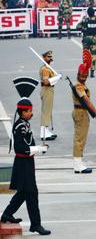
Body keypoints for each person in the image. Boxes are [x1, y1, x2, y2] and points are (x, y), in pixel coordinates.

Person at [1, 77, 51, 236]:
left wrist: (38, 148)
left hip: (27, 163)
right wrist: (37, 148)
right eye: (29, 110)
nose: (31, 112)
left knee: (23, 192)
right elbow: (20, 147)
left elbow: (28, 143)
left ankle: (7, 214)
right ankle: (36, 224)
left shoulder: (25, 124)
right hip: (23, 163)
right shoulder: (20, 126)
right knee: (32, 193)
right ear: (23, 112)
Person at [71, 50, 96, 173]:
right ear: (78, 74)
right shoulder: (79, 86)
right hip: (81, 113)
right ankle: (78, 165)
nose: (84, 77)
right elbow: (86, 100)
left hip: (82, 112)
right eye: (82, 75)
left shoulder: (80, 85)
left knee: (81, 138)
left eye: (85, 75)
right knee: (80, 139)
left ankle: (78, 162)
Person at [76, 7, 96, 78]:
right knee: (93, 56)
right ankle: (92, 72)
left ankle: (85, 71)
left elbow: (77, 26)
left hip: (86, 40)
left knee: (86, 56)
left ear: (88, 13)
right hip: (94, 40)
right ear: (94, 13)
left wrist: (84, 25)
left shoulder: (85, 20)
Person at [39, 51, 57, 141]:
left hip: (49, 90)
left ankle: (45, 130)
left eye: (51, 56)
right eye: (48, 57)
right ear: (44, 58)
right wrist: (56, 78)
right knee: (46, 111)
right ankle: (44, 133)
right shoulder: (45, 69)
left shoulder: (48, 68)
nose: (50, 58)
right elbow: (46, 82)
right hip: (47, 90)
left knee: (47, 111)